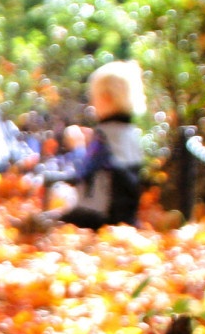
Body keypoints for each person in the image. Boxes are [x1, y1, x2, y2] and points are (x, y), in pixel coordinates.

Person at [30, 61, 146, 229]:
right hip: (126, 216)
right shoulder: (131, 133)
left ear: (106, 98)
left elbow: (84, 171)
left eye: (93, 98)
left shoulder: (105, 135)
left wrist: (53, 177)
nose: (91, 104)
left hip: (97, 215)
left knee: (41, 221)